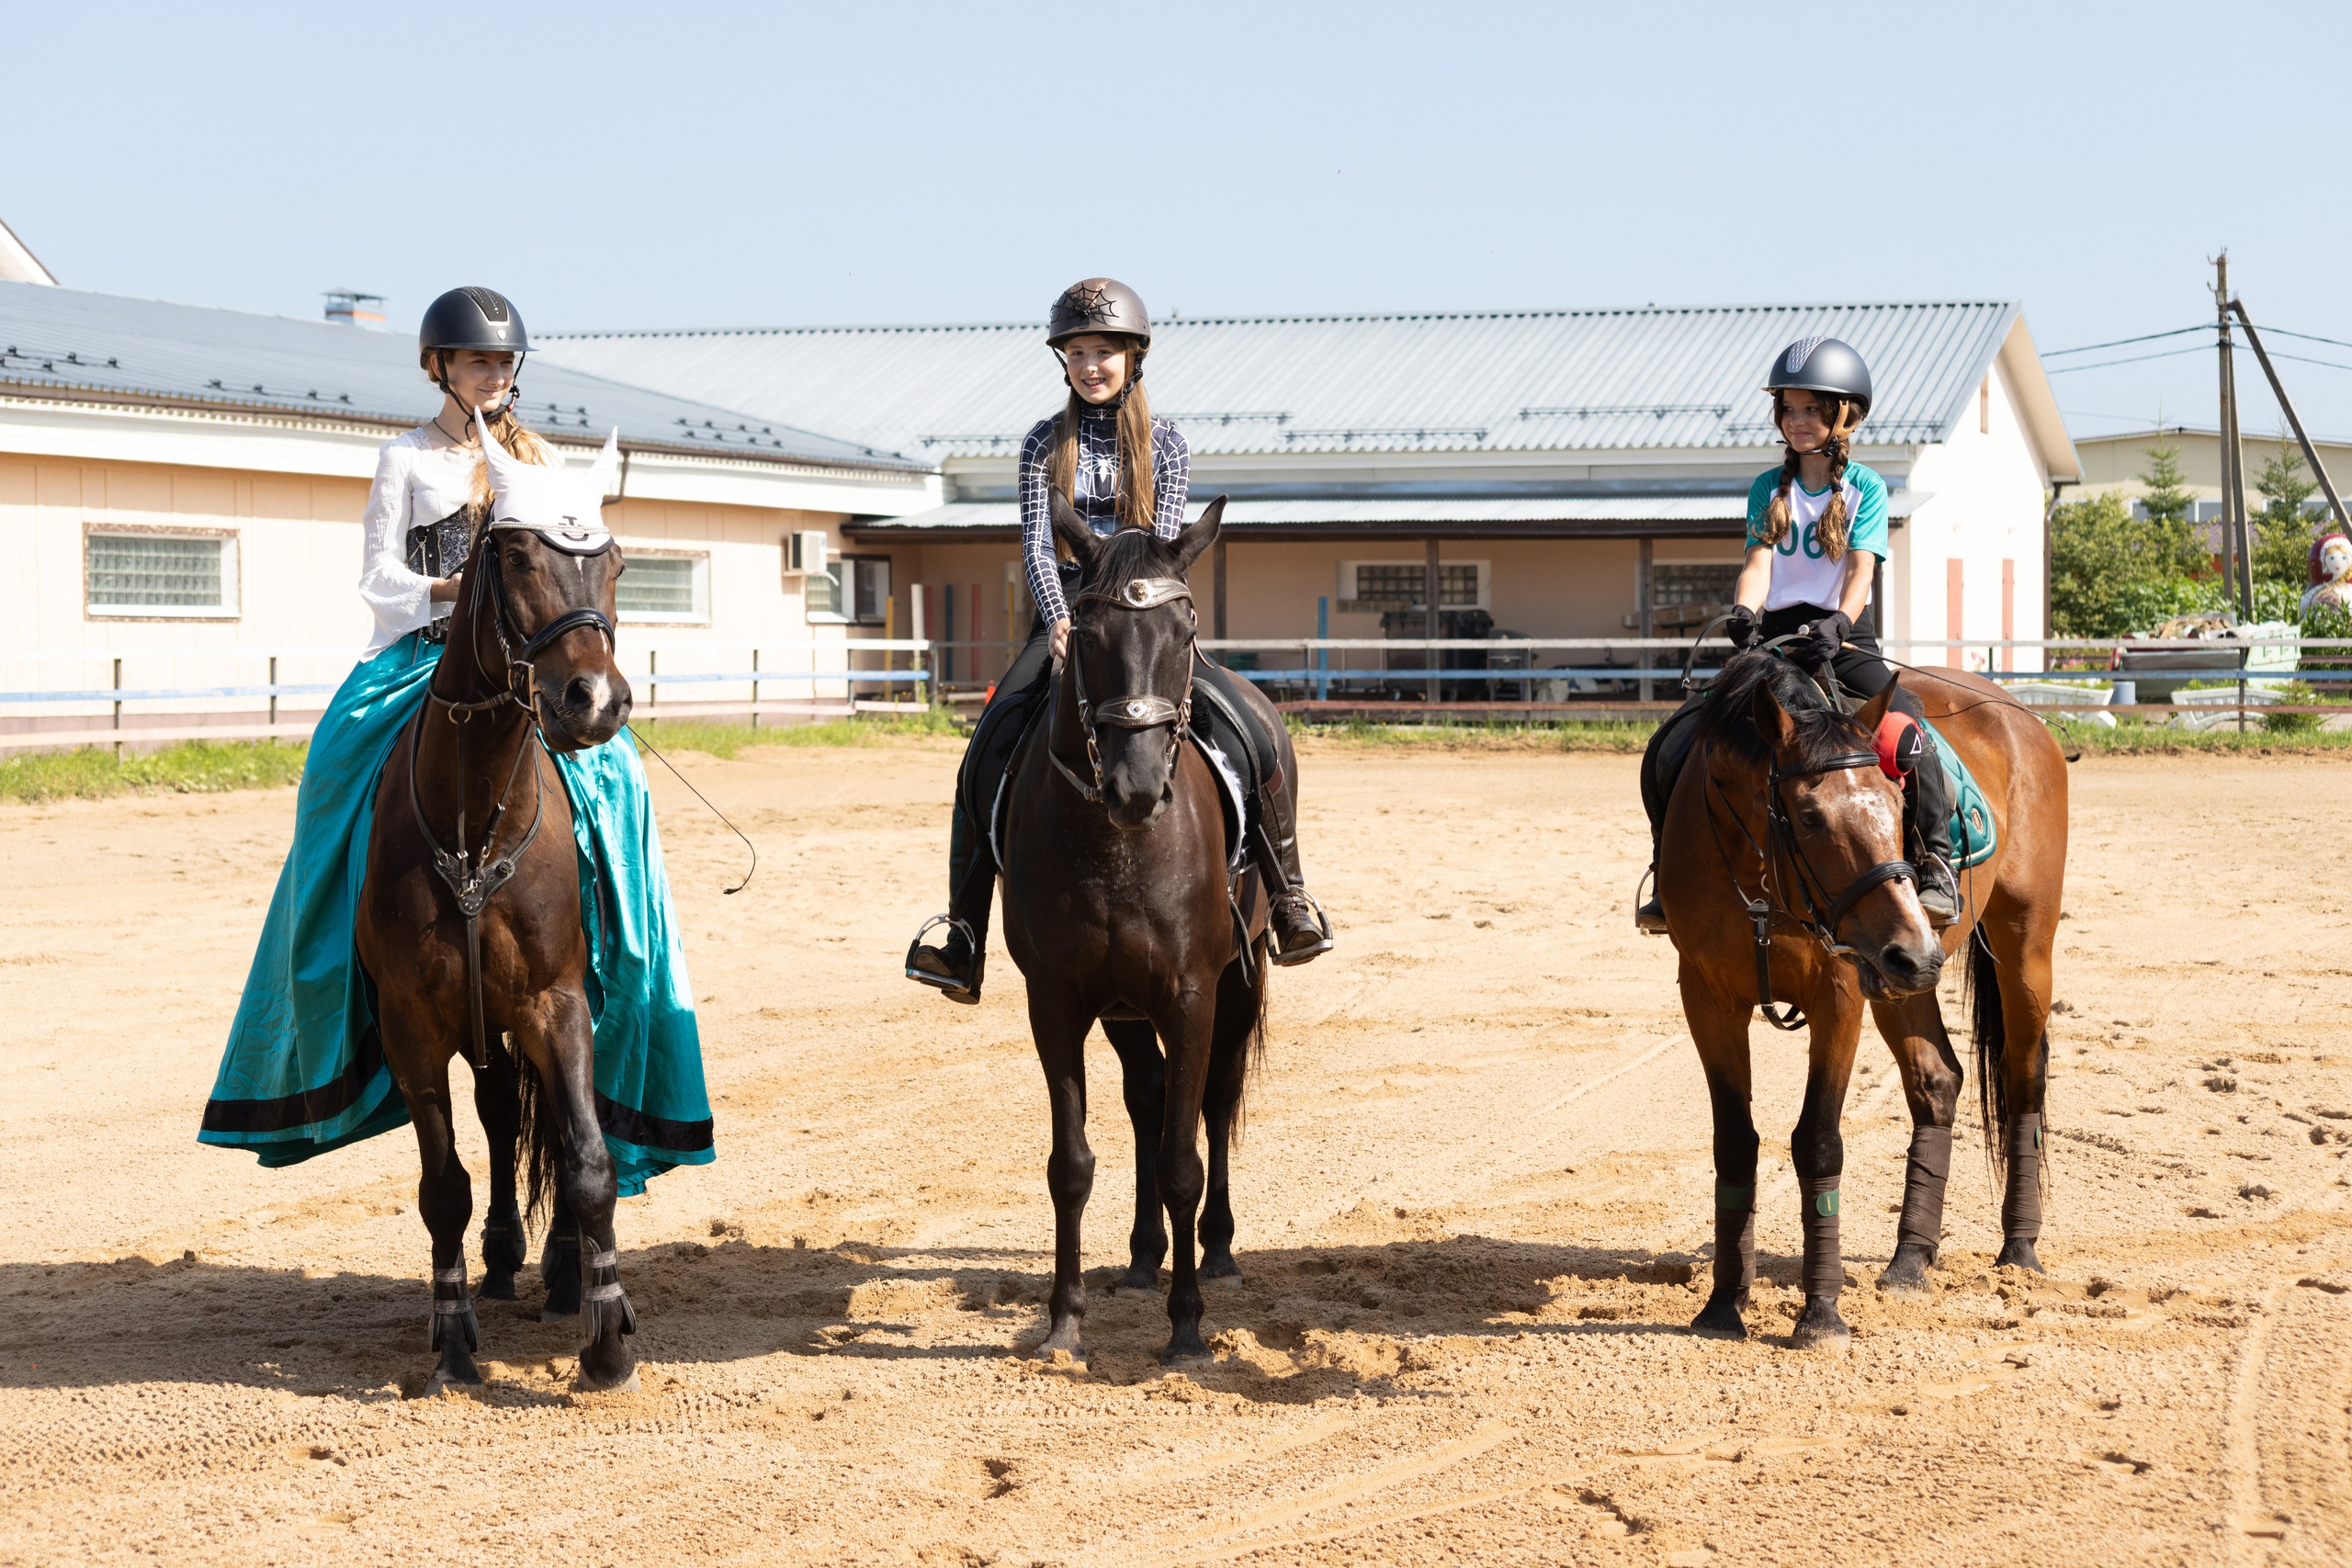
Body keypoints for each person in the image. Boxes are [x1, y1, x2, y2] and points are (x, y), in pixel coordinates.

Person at [199, 287, 713, 1197]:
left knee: (620, 779)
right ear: (439, 367)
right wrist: (455, 591)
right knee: (332, 771)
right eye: (478, 360)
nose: (494, 374)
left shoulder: (543, 461)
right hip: (422, 659)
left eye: (504, 362)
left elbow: (571, 566)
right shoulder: (405, 458)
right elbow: (377, 577)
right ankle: (325, 949)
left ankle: (624, 946)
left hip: (521, 665)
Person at [906, 277, 1332, 1002]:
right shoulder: (1043, 443)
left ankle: (1289, 898)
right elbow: (1038, 545)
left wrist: (1133, 615)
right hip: (1068, 610)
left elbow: (1163, 547)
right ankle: (964, 933)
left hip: (1146, 613)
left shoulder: (1167, 443)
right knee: (988, 744)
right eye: (1076, 352)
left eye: (1103, 350)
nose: (1089, 365)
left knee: (1248, 726)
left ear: (1133, 357)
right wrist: (1059, 618)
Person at [1634, 335, 1959, 933]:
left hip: (1844, 638)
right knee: (1675, 739)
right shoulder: (1768, 488)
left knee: (1911, 730)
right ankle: (1666, 872)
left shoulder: (1866, 487)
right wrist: (1744, 610)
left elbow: (1860, 571)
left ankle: (1935, 863)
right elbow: (1758, 563)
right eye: (1789, 408)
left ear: (1844, 416)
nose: (1797, 420)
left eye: (1812, 409)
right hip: (1776, 642)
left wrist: (1840, 622)